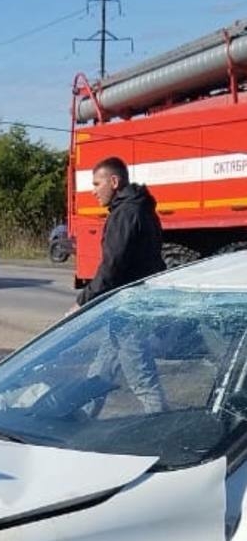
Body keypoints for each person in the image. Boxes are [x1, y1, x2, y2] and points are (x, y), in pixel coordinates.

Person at [75, 157, 168, 413]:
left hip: (130, 313)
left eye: (97, 183)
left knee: (143, 383)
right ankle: (79, 421)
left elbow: (112, 267)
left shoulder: (126, 213)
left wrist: (81, 301)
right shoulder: (143, 209)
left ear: (114, 181)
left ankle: (164, 433)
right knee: (99, 376)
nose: (93, 191)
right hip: (129, 310)